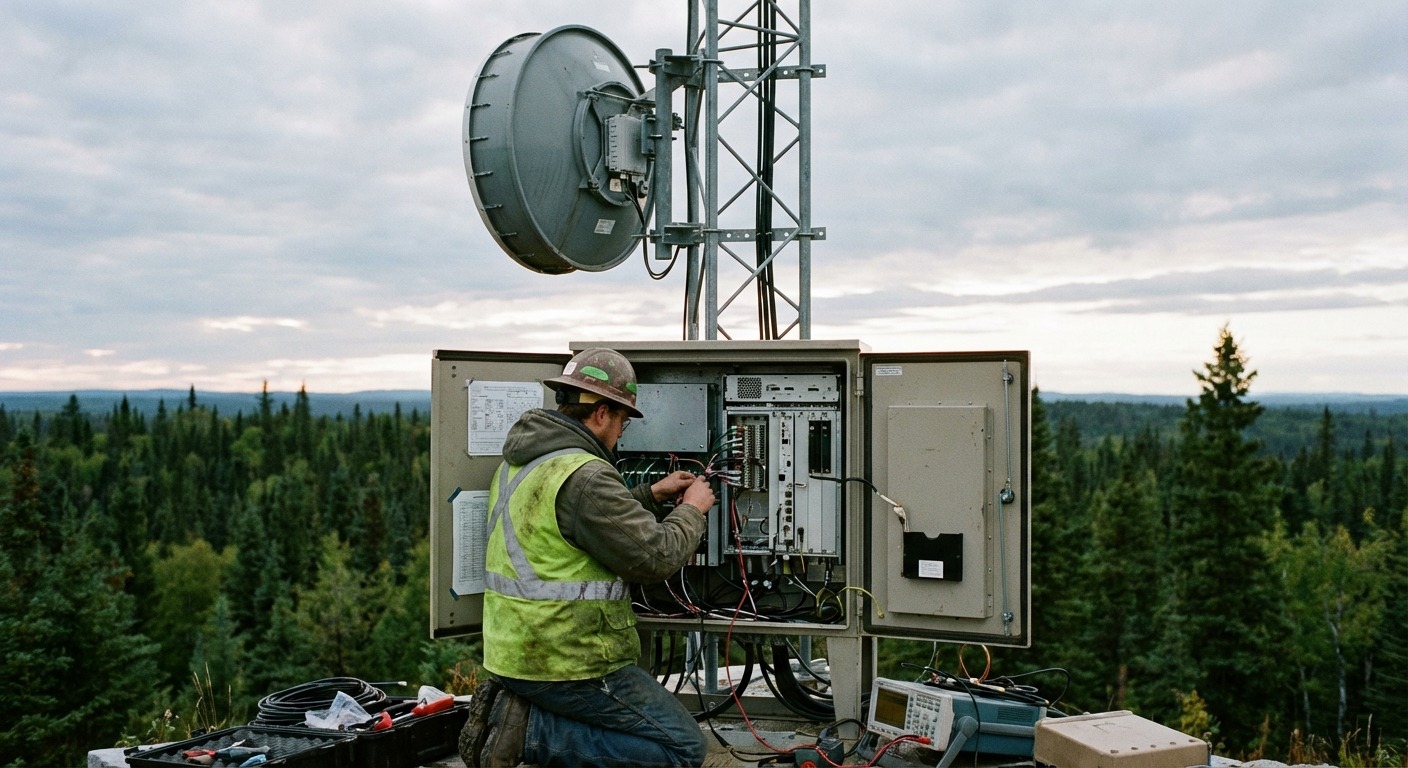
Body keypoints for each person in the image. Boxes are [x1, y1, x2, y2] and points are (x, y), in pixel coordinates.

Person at [459, 348, 716, 767]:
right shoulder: (588, 474)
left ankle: (521, 715)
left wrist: (649, 496)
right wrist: (693, 508)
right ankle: (528, 732)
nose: (620, 436)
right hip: (569, 662)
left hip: (515, 653)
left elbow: (579, 525)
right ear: (600, 413)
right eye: (622, 423)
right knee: (683, 749)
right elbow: (656, 557)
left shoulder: (526, 462)